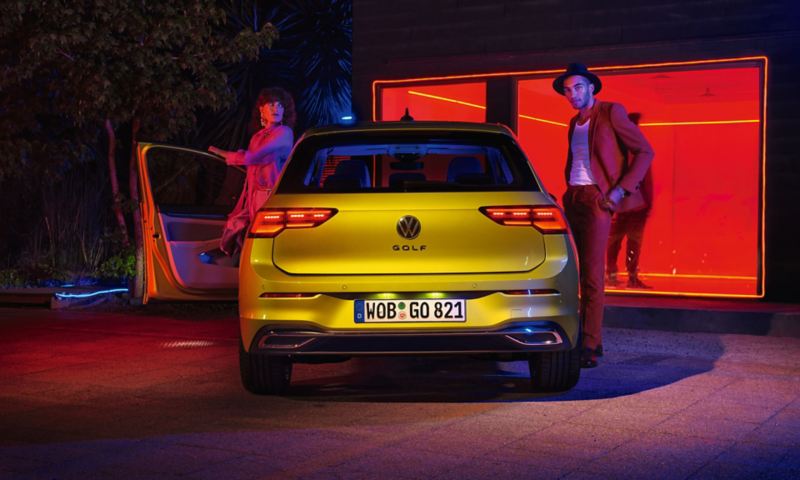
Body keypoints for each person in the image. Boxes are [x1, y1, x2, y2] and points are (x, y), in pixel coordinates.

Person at [553, 63, 654, 368]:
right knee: (572, 272)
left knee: (594, 277)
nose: (573, 94)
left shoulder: (612, 112)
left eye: (579, 87)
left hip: (598, 199)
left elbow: (645, 152)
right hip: (573, 197)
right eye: (568, 90)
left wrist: (620, 191)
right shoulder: (574, 122)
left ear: (592, 88)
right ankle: (575, 338)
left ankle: (591, 346)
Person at [208, 87, 296, 257]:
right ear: (261, 109)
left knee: (268, 245)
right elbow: (250, 167)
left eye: (280, 105)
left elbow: (255, 157)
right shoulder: (256, 137)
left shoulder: (285, 132)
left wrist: (224, 154)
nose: (275, 108)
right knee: (249, 243)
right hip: (254, 197)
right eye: (270, 104)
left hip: (272, 197)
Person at [606, 113, 654, 289]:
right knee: (626, 241)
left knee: (617, 241)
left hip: (622, 204)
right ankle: (628, 277)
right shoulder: (635, 149)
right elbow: (644, 177)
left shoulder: (617, 148)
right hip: (629, 204)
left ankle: (615, 275)